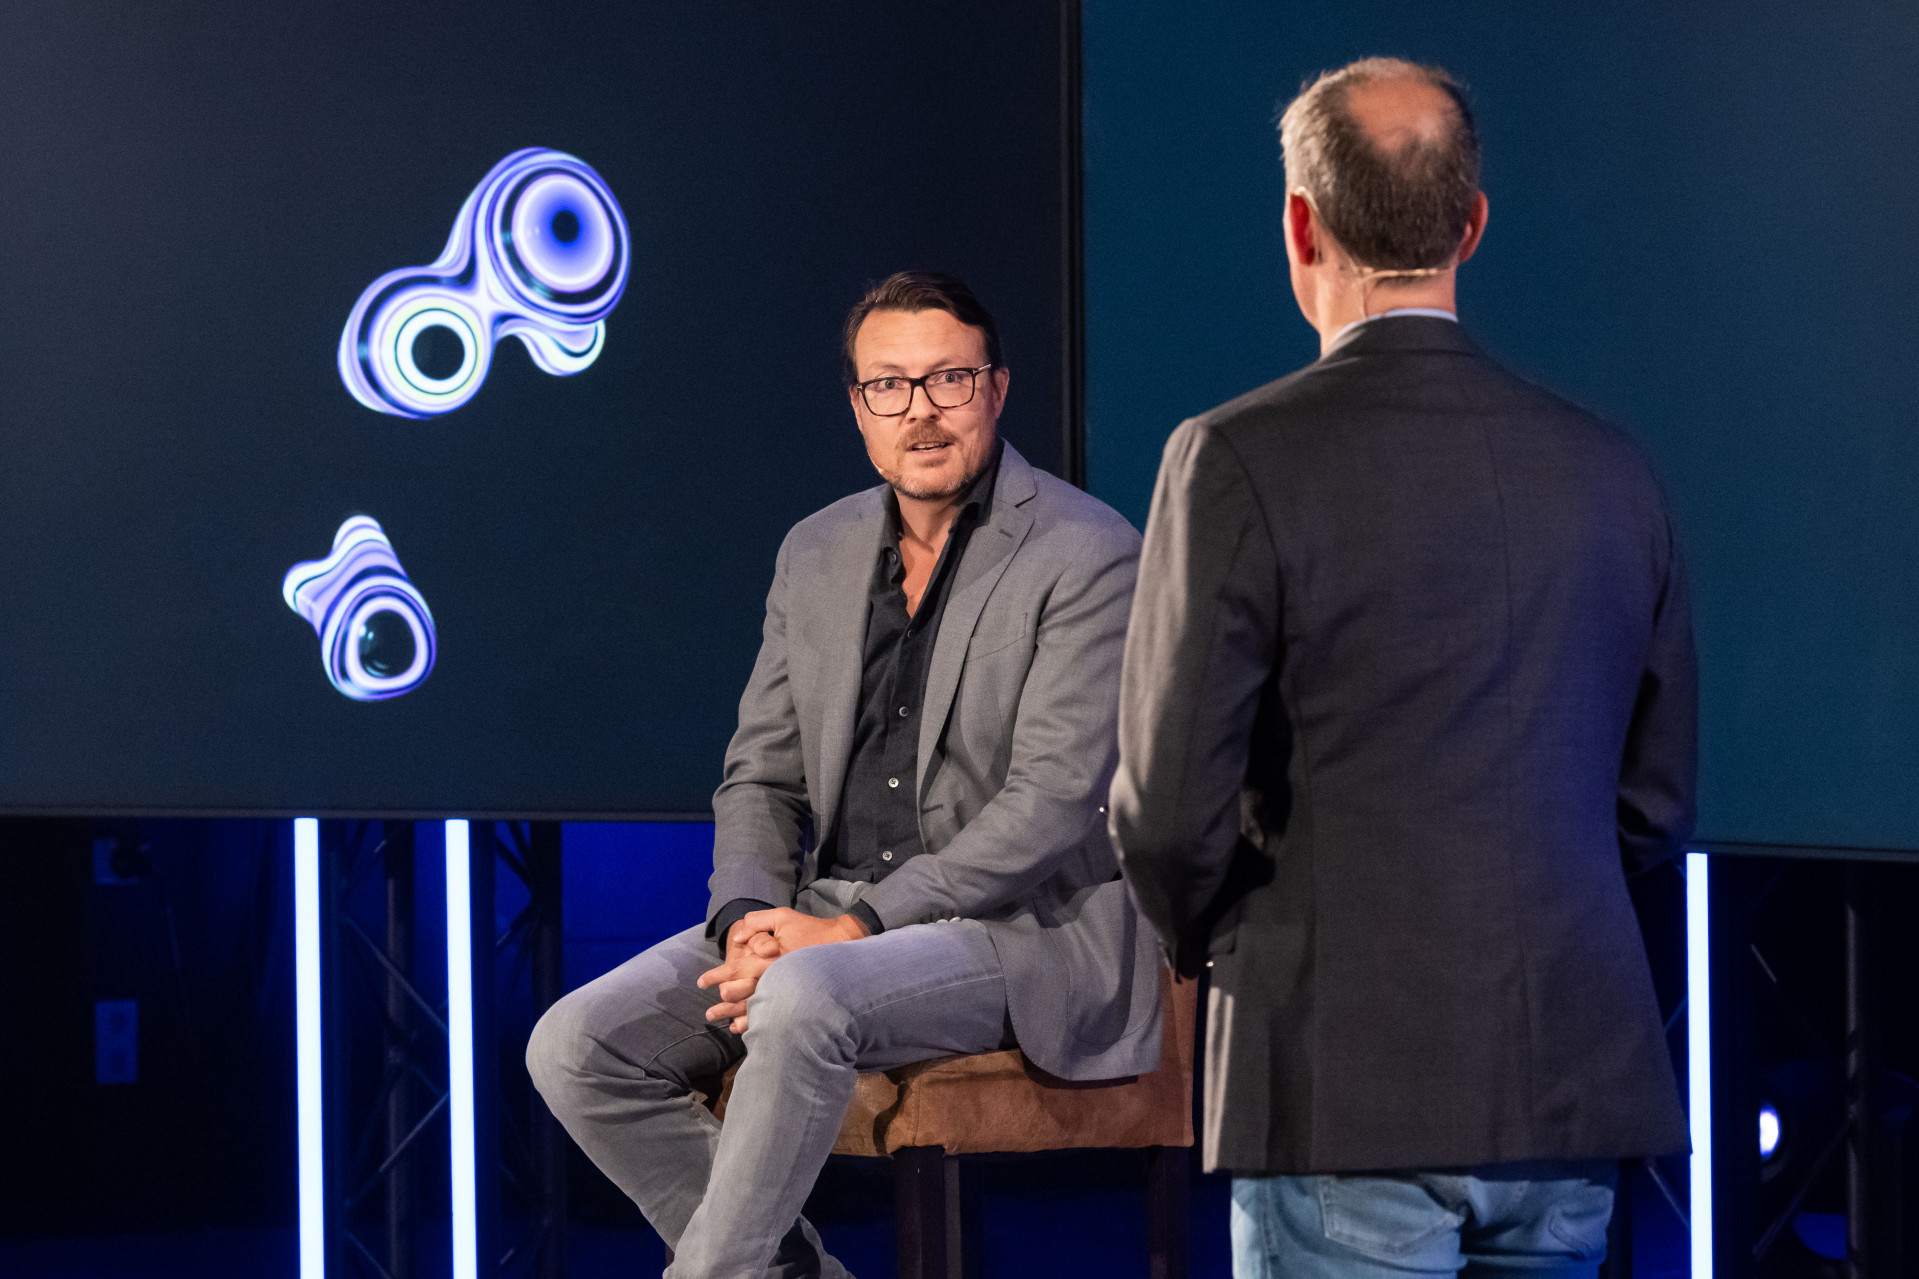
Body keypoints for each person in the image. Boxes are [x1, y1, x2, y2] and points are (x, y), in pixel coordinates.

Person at [1108, 58, 1695, 1279]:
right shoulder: (1611, 470)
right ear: (1470, 225)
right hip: (1566, 1083)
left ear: (1298, 225)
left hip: (1337, 1078)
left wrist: (1229, 947)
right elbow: (1651, 804)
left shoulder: (1230, 456)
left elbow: (1166, 812)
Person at [528, 271, 1161, 1279]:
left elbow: (1050, 803)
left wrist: (854, 927)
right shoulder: (815, 550)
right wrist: (747, 916)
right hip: (825, 919)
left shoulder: (1087, 551)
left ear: (996, 389)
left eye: (948, 378)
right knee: (578, 1044)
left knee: (803, 994)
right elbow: (760, 774)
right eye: (888, 385)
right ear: (858, 405)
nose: (919, 410)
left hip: (1021, 928)